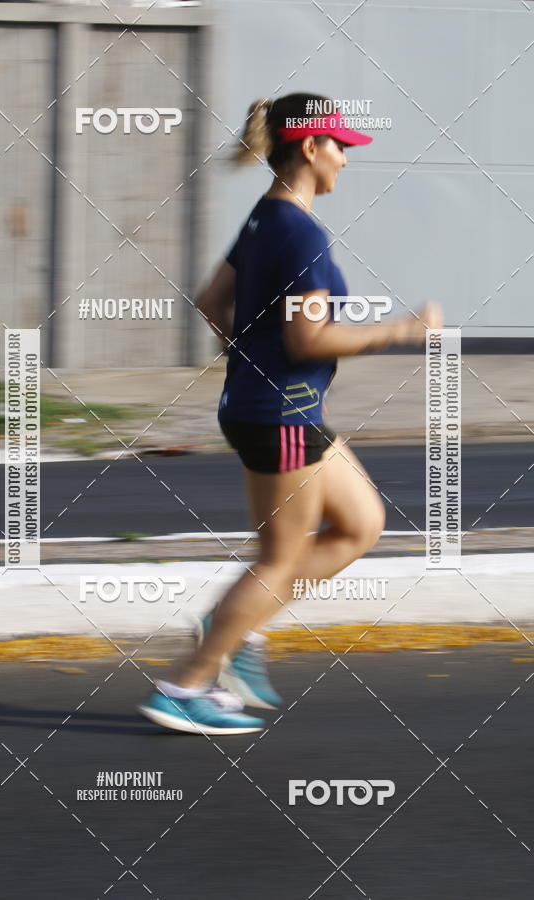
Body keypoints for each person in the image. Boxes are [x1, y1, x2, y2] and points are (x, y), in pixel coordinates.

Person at [139, 92, 443, 735]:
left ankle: (236, 627)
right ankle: (187, 685)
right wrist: (400, 331)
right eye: (340, 146)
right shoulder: (300, 231)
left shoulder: (266, 216)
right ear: (310, 147)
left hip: (272, 409)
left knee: (361, 523)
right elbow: (309, 340)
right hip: (281, 416)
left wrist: (248, 354)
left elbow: (210, 300)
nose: (345, 159)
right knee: (278, 561)